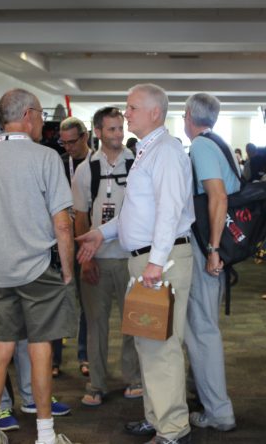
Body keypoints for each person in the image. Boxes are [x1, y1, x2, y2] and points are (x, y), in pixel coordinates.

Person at [77, 83, 195, 444]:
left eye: (132, 108)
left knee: (162, 347)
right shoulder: (146, 151)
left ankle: (173, 430)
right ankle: (158, 419)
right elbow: (135, 213)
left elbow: (169, 211)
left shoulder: (167, 152)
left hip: (162, 259)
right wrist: (102, 233)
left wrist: (156, 264)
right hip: (147, 258)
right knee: (148, 345)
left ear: (155, 113)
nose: (125, 115)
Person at [0, 88, 78, 444]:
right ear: (29, 115)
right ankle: (45, 435)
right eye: (40, 117)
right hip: (39, 270)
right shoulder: (46, 158)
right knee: (40, 347)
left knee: (1, 347)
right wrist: (67, 270)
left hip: (0, 272)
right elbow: (62, 223)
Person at [71, 106, 141, 406]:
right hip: (97, 258)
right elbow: (80, 215)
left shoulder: (137, 163)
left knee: (133, 323)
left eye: (120, 128)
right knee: (96, 323)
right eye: (111, 129)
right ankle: (97, 383)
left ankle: (134, 379)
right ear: (98, 132)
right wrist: (86, 258)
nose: (118, 134)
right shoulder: (86, 169)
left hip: (130, 257)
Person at [182, 93, 238, 432]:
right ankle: (207, 399)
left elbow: (217, 195)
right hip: (212, 246)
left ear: (188, 115)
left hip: (206, 247)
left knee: (202, 331)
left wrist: (213, 249)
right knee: (204, 328)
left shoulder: (202, 146)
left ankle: (219, 411)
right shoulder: (219, 143)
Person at [56, 116, 92, 377]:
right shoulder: (57, 163)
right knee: (58, 302)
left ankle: (85, 355)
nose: (68, 148)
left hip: (88, 240)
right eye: (64, 143)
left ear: (85, 136)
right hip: (60, 240)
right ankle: (54, 359)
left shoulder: (97, 164)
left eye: (72, 142)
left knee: (87, 303)